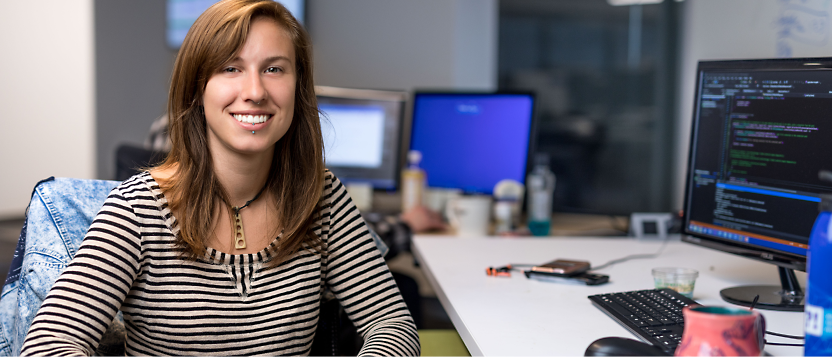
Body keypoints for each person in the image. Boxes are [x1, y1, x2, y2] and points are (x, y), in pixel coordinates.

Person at [20, 1, 420, 356]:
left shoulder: (321, 197)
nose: (255, 91)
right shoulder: (138, 209)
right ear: (197, 89)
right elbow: (49, 344)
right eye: (230, 68)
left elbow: (393, 326)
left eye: (274, 69)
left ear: (298, 87)